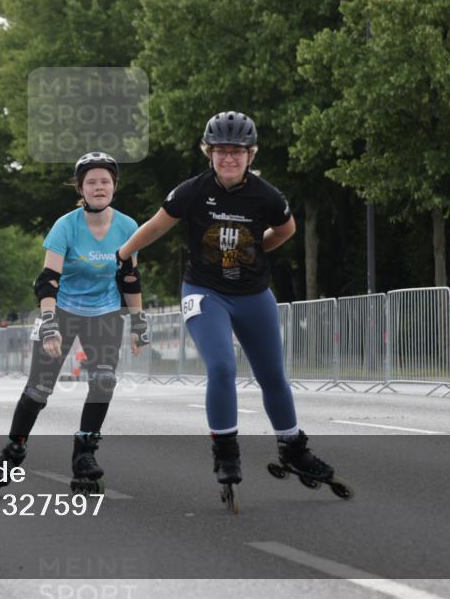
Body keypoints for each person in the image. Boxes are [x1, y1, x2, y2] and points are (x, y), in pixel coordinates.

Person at [114, 111, 339, 509]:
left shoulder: (267, 196)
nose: (229, 159)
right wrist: (124, 253)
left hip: (253, 293)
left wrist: (255, 249)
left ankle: (292, 446)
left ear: (251, 155)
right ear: (209, 153)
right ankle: (225, 450)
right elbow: (157, 225)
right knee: (221, 367)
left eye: (236, 152)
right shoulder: (192, 191)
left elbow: (286, 230)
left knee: (273, 376)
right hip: (204, 291)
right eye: (221, 151)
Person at [0, 152, 147, 496]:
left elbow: (130, 278)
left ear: (114, 186)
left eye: (105, 181)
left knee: (104, 381)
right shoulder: (66, 225)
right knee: (38, 391)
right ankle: (13, 448)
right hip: (62, 311)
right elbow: (47, 280)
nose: (99, 187)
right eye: (92, 182)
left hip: (104, 312)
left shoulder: (128, 227)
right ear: (81, 188)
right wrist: (48, 323)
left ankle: (84, 454)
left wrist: (138, 322)